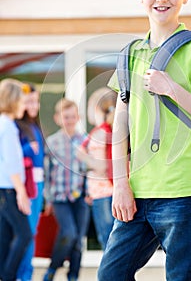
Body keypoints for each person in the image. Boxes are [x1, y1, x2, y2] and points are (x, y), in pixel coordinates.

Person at [98, 0, 191, 281]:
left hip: (182, 191)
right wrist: (120, 184)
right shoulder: (130, 54)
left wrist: (172, 89)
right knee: (111, 274)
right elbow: (120, 124)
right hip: (137, 191)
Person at [43, 98, 90, 281]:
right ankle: (53, 268)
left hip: (80, 197)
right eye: (65, 117)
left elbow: (89, 169)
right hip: (59, 197)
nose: (69, 120)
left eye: (72, 117)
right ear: (57, 118)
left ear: (78, 117)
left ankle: (73, 275)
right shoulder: (52, 142)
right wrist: (47, 199)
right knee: (68, 233)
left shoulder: (85, 141)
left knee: (78, 240)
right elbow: (47, 173)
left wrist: (90, 193)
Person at [0, 78, 32, 281]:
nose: (25, 106)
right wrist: (22, 193)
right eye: (22, 101)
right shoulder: (8, 128)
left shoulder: (2, 124)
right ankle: (8, 276)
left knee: (4, 237)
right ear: (12, 101)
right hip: (10, 190)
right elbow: (12, 164)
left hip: (3, 190)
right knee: (24, 234)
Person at [78, 87, 117, 250]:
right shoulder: (108, 131)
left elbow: (103, 166)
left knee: (107, 238)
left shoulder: (101, 133)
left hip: (103, 192)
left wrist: (81, 156)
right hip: (103, 191)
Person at [15, 83, 45, 281]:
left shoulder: (35, 126)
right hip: (25, 186)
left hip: (38, 186)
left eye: (36, 101)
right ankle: (21, 275)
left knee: (31, 232)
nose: (34, 106)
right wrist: (27, 150)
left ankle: (25, 274)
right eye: (29, 102)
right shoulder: (16, 126)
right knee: (25, 233)